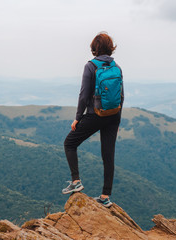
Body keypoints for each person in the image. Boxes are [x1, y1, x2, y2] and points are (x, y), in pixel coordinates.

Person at [62, 32, 124, 208]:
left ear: (94, 48)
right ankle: (105, 196)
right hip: (114, 114)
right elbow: (121, 95)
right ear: (110, 47)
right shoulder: (116, 66)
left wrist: (77, 118)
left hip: (95, 114)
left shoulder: (90, 66)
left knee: (69, 143)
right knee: (108, 155)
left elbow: (83, 95)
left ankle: (76, 181)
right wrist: (117, 120)